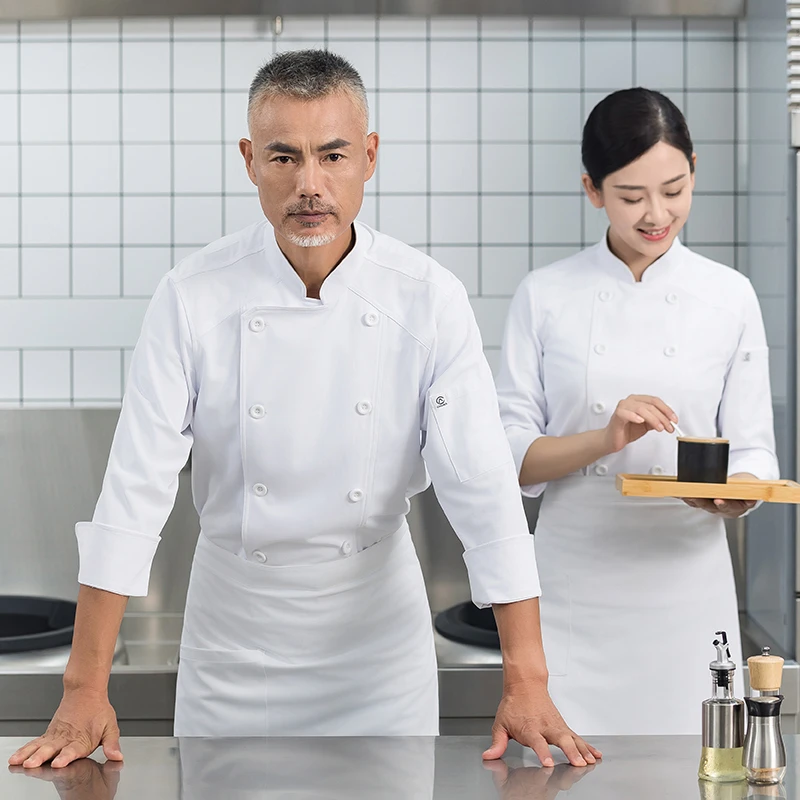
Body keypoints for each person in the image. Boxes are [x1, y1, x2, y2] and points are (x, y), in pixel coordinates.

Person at [9, 50, 600, 770]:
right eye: (284, 157)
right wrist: (83, 686)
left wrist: (527, 679)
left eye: (333, 155)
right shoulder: (193, 296)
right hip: (234, 646)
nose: (309, 185)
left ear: (370, 157)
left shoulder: (426, 297)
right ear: (250, 159)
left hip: (378, 655)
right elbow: (134, 489)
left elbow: (480, 488)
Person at [496, 87, 779, 735]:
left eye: (675, 190)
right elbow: (511, 459)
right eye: (630, 197)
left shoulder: (728, 296)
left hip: (687, 589)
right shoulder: (545, 297)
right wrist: (605, 436)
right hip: (573, 591)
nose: (657, 214)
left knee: (698, 767)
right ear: (592, 190)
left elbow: (755, 450)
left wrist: (734, 496)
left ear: (694, 171)